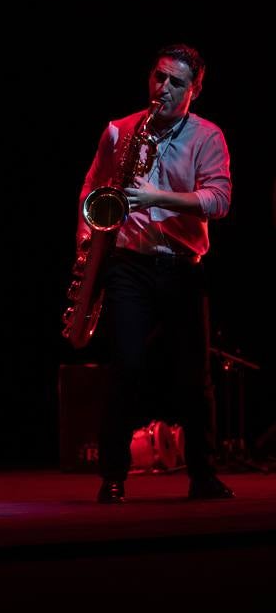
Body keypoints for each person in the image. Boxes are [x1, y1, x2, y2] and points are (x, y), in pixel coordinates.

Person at [75, 43, 234, 503]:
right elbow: (92, 188)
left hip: (183, 267)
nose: (162, 89)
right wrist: (85, 242)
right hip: (130, 263)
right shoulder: (120, 130)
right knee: (126, 367)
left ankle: (203, 475)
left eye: (175, 83)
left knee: (193, 375)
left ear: (194, 91)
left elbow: (219, 201)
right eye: (158, 77)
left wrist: (157, 197)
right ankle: (113, 477)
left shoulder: (208, 137)